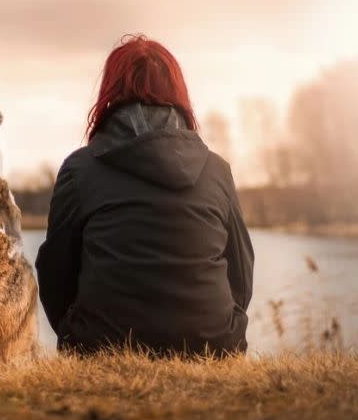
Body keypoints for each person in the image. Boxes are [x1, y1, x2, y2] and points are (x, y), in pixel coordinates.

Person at [35, 35, 254, 356]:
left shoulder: (80, 170)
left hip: (102, 346)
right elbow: (241, 272)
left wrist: (75, 332)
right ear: (178, 92)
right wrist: (219, 327)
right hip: (213, 346)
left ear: (110, 93)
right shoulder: (216, 170)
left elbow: (55, 272)